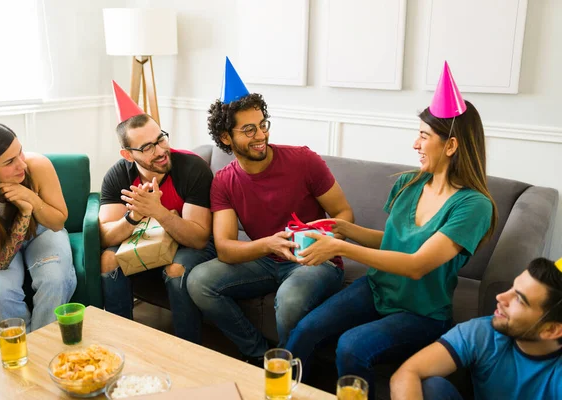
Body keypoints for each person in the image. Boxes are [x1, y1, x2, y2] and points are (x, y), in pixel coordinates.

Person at [284, 62, 498, 398]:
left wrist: (340, 249)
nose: (415, 143)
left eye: (424, 136)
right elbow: (393, 243)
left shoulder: (473, 206)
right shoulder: (408, 184)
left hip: (422, 313)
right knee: (306, 329)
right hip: (378, 289)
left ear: (452, 146)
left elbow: (417, 264)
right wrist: (342, 228)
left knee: (351, 346)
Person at [187, 57, 354, 364]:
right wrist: (268, 244)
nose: (261, 135)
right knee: (198, 281)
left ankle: (293, 374)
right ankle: (262, 358)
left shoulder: (304, 161)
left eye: (263, 124)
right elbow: (224, 248)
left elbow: (344, 213)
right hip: (265, 259)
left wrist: (319, 238)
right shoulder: (224, 182)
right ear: (226, 137)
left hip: (314, 259)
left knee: (289, 299)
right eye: (249, 129)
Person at [98, 81, 215, 344]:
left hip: (189, 246)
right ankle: (122, 345)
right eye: (148, 147)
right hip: (143, 240)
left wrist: (158, 211)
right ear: (128, 155)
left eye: (160, 138)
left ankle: (189, 349)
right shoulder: (118, 175)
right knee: (108, 260)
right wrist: (134, 216)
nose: (161, 150)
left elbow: (198, 239)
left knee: (175, 269)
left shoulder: (192, 169)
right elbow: (105, 236)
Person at [0, 103, 76, 332]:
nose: (22, 164)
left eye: (20, 152)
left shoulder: (37, 165)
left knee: (55, 279)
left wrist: (32, 201)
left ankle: (42, 347)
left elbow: (57, 222)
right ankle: (24, 348)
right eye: (9, 162)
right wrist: (24, 213)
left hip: (43, 232)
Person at [390, 257, 562, 400]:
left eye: (519, 299)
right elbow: (408, 372)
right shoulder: (483, 332)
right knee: (431, 388)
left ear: (551, 330)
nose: (501, 297)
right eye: (512, 287)